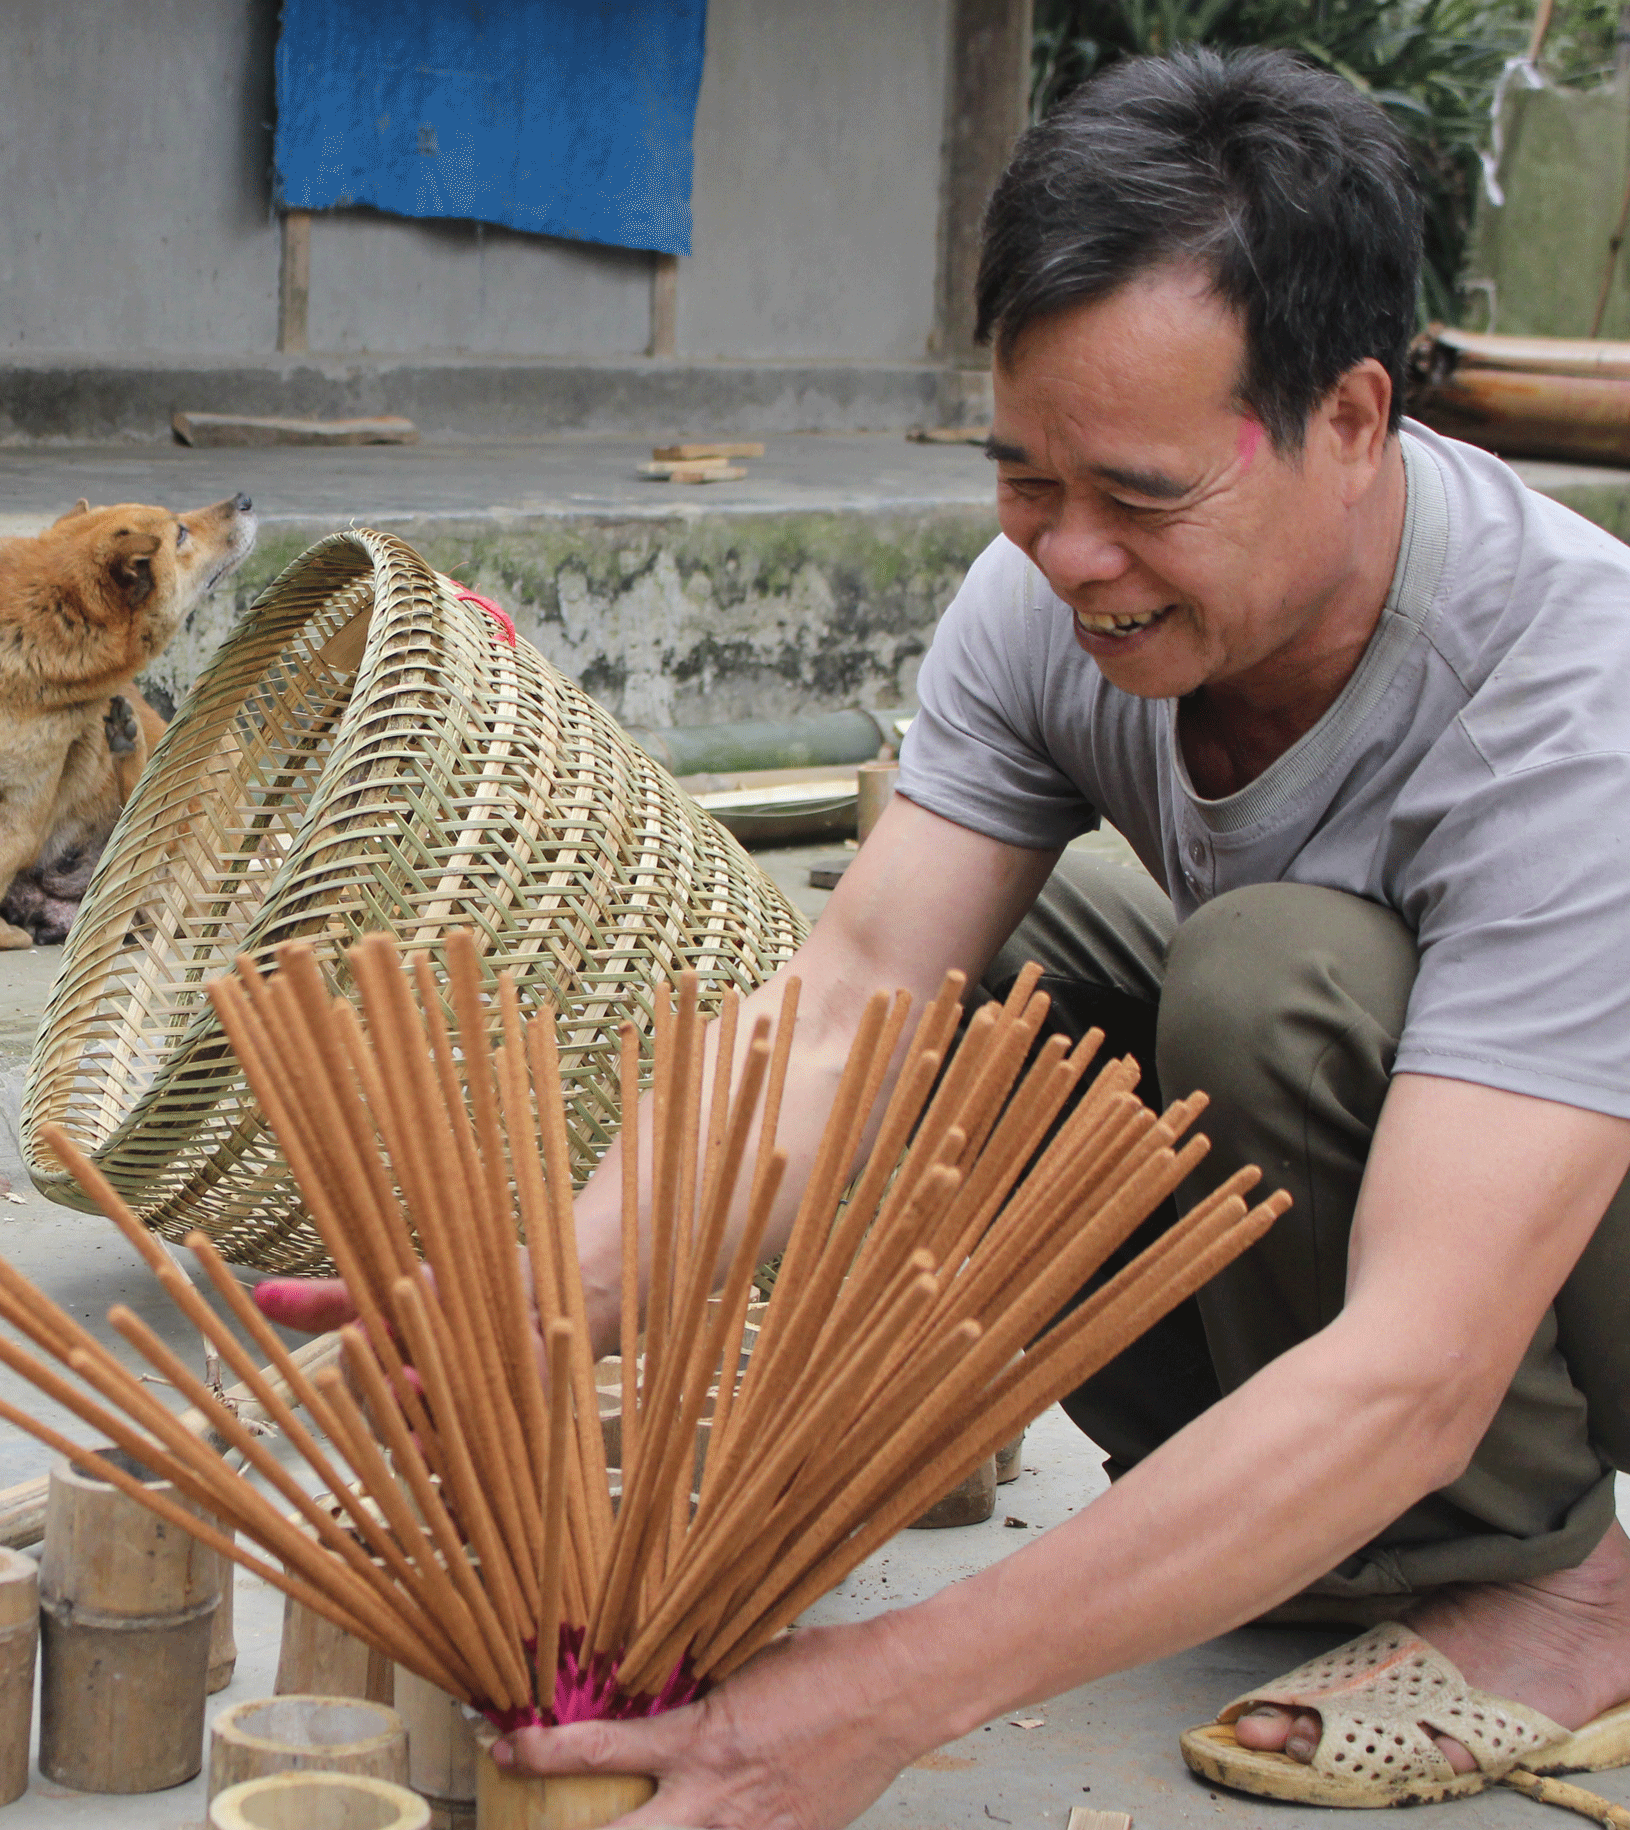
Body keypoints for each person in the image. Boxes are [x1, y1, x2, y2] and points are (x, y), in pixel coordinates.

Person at [256, 46, 1630, 1827]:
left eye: (1141, 494)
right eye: (1023, 478)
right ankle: (1274, 1528)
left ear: (1353, 422)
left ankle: (1553, 1586)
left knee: (1265, 977)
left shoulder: (1568, 697)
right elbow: (844, 1015)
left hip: (1567, 1250)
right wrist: (524, 1302)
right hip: (1411, 1204)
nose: (1071, 556)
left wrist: (880, 1697)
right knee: (1022, 970)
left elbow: (1425, 1358)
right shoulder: (1049, 595)